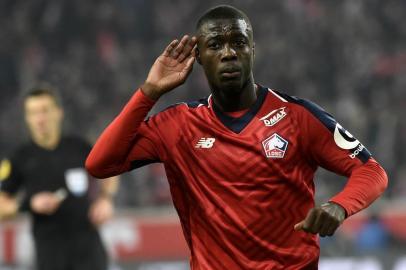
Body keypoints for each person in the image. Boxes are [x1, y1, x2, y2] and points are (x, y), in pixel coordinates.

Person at [85, 5, 388, 269]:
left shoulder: (296, 116)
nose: (228, 53)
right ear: (199, 57)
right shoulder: (177, 125)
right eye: (215, 44)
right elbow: (100, 164)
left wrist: (339, 205)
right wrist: (148, 93)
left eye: (238, 43)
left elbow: (371, 171)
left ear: (252, 50)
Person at [0, 86, 118, 270]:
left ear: (58, 113)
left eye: (45, 110)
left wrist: (105, 199)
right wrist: (28, 204)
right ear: (27, 118)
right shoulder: (19, 158)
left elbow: (111, 170)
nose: (40, 119)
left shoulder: (79, 147)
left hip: (90, 254)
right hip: (50, 257)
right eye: (33, 113)